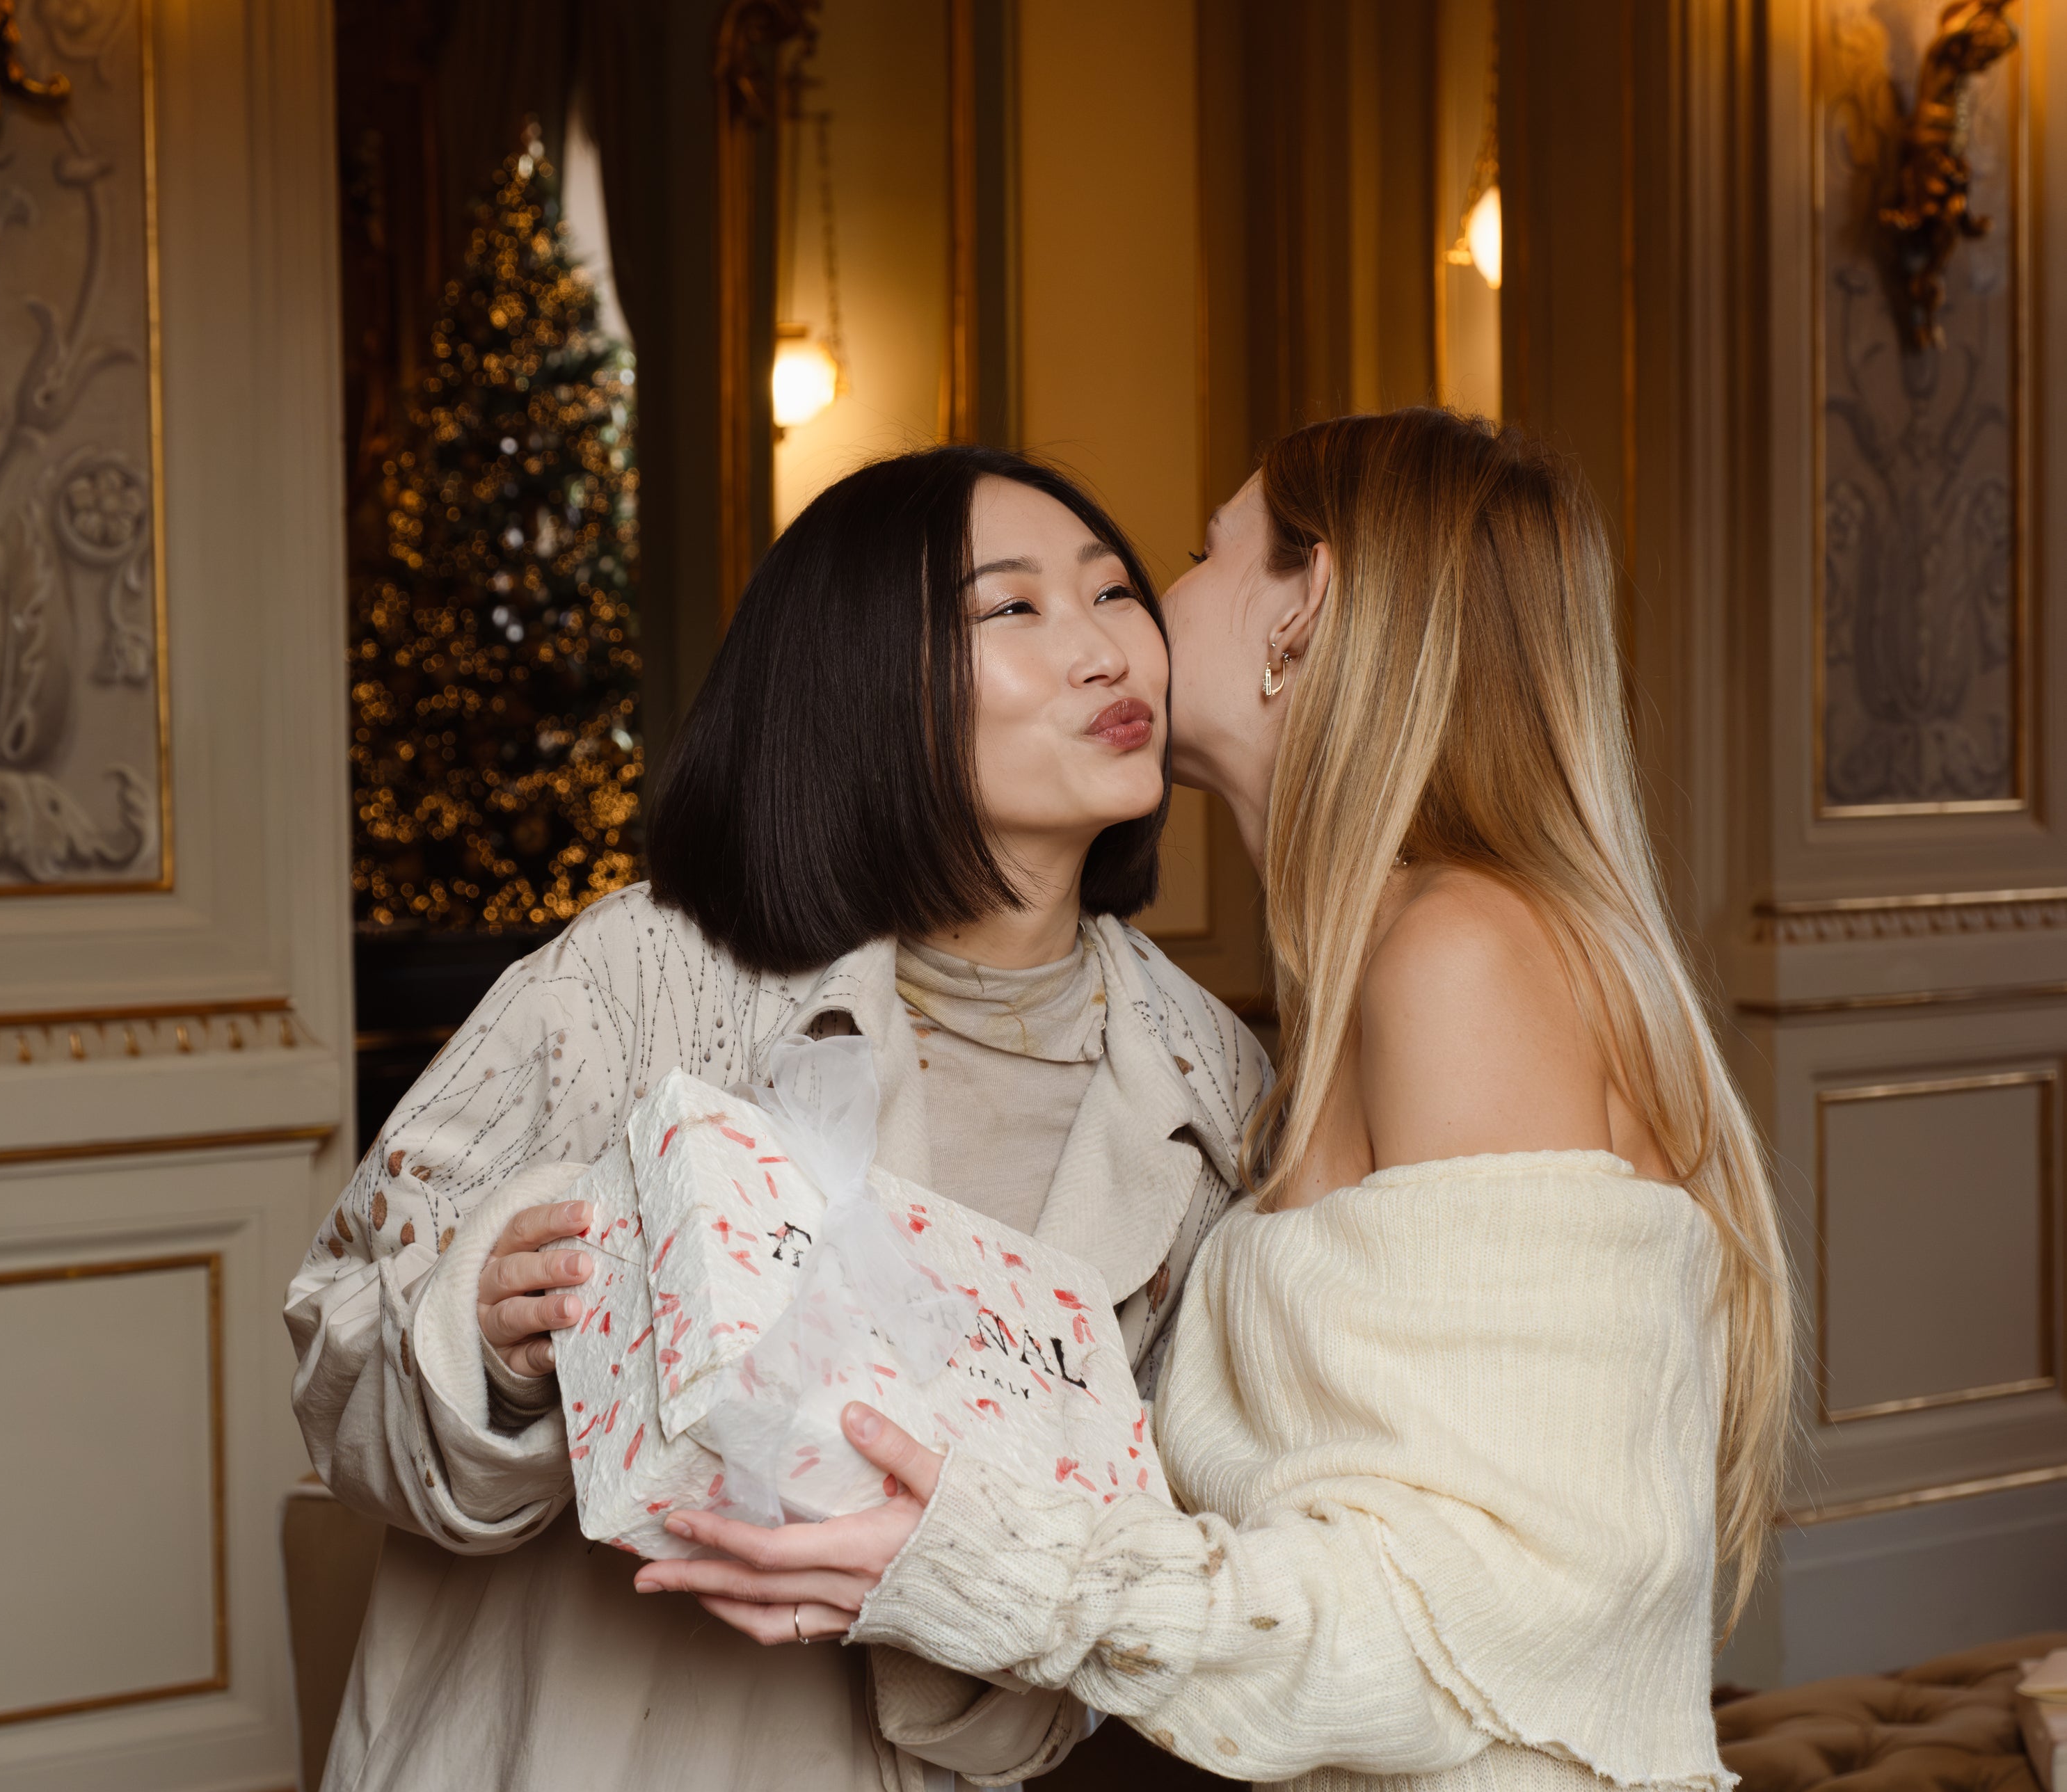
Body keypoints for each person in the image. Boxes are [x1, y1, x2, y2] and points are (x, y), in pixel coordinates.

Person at [633, 408, 1796, 1792]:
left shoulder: (1459, 956)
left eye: (1196, 552)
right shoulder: (1345, 993)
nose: (1136, 615)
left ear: (1303, 606)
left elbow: (1478, 1602)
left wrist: (979, 1565)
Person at [284, 445, 1270, 1792]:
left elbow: (1141, 1562)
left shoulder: (1214, 1085)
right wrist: (488, 1343)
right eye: (1014, 608)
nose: (1106, 651)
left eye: (1112, 593)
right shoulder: (647, 971)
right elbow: (335, 1349)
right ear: (863, 680)